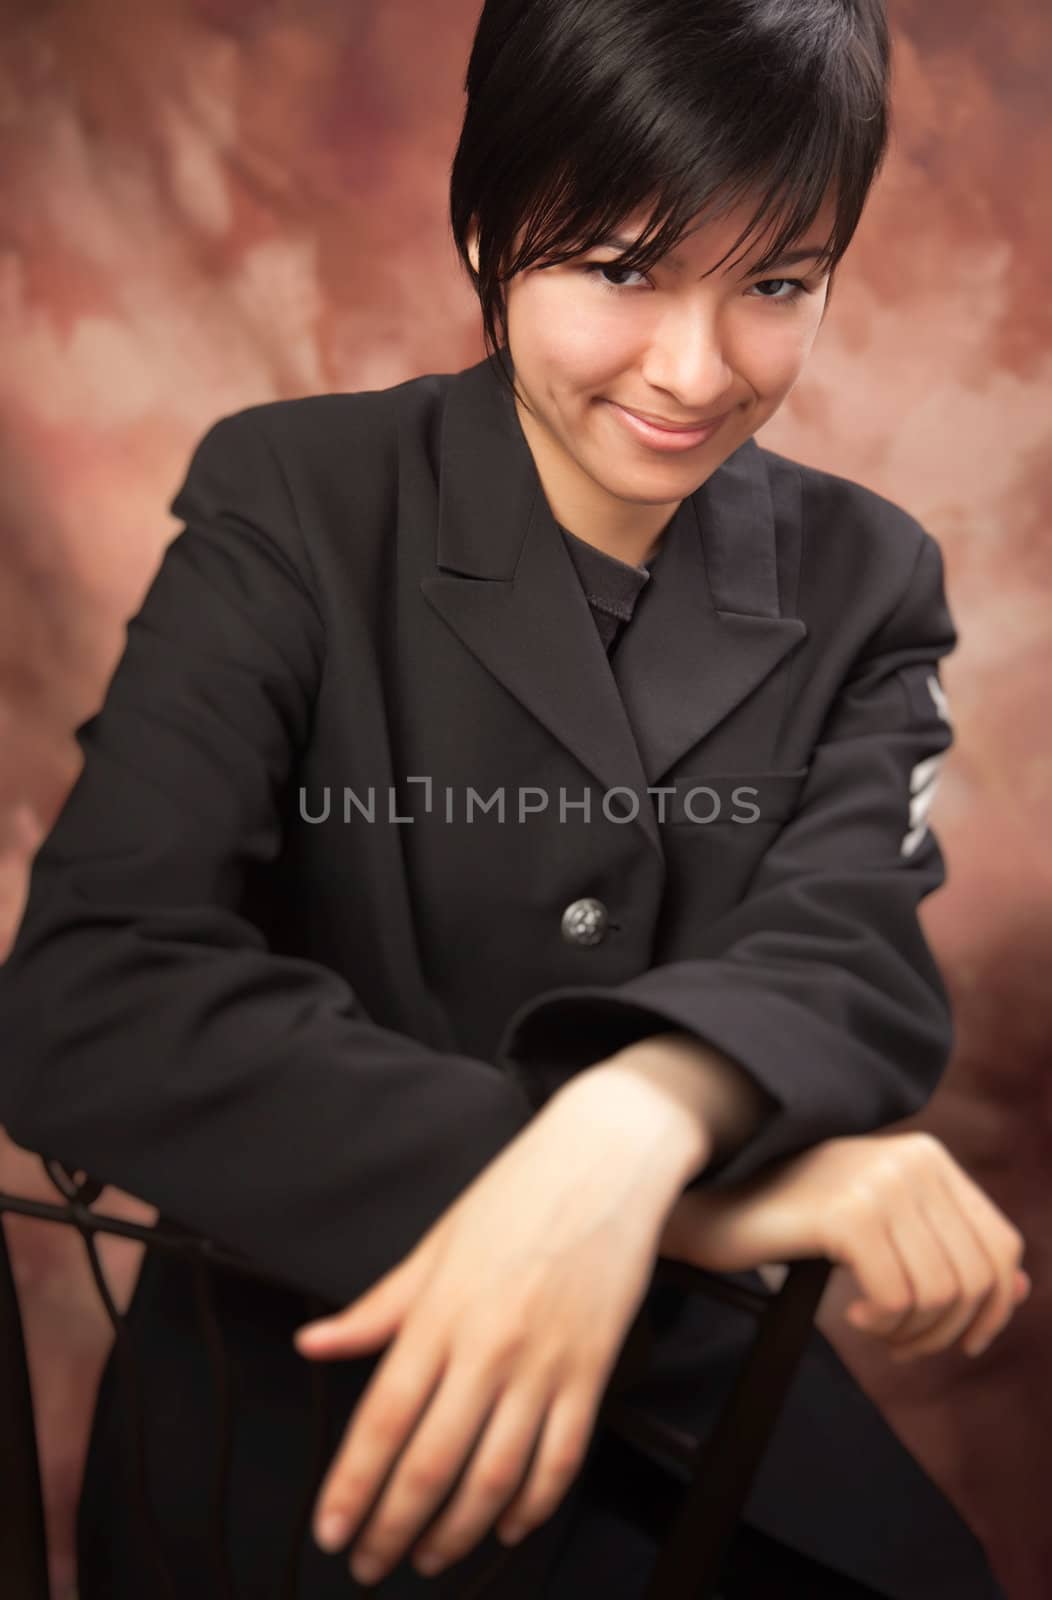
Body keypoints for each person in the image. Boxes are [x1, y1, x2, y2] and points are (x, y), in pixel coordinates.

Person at [0, 0, 1029, 1595]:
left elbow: (848, 949)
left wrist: (637, 1123)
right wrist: (654, 1199)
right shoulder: (293, 498)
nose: (694, 370)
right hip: (310, 1403)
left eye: (777, 283)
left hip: (702, 1409)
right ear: (488, 227)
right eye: (622, 269)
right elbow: (88, 1000)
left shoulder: (868, 573)